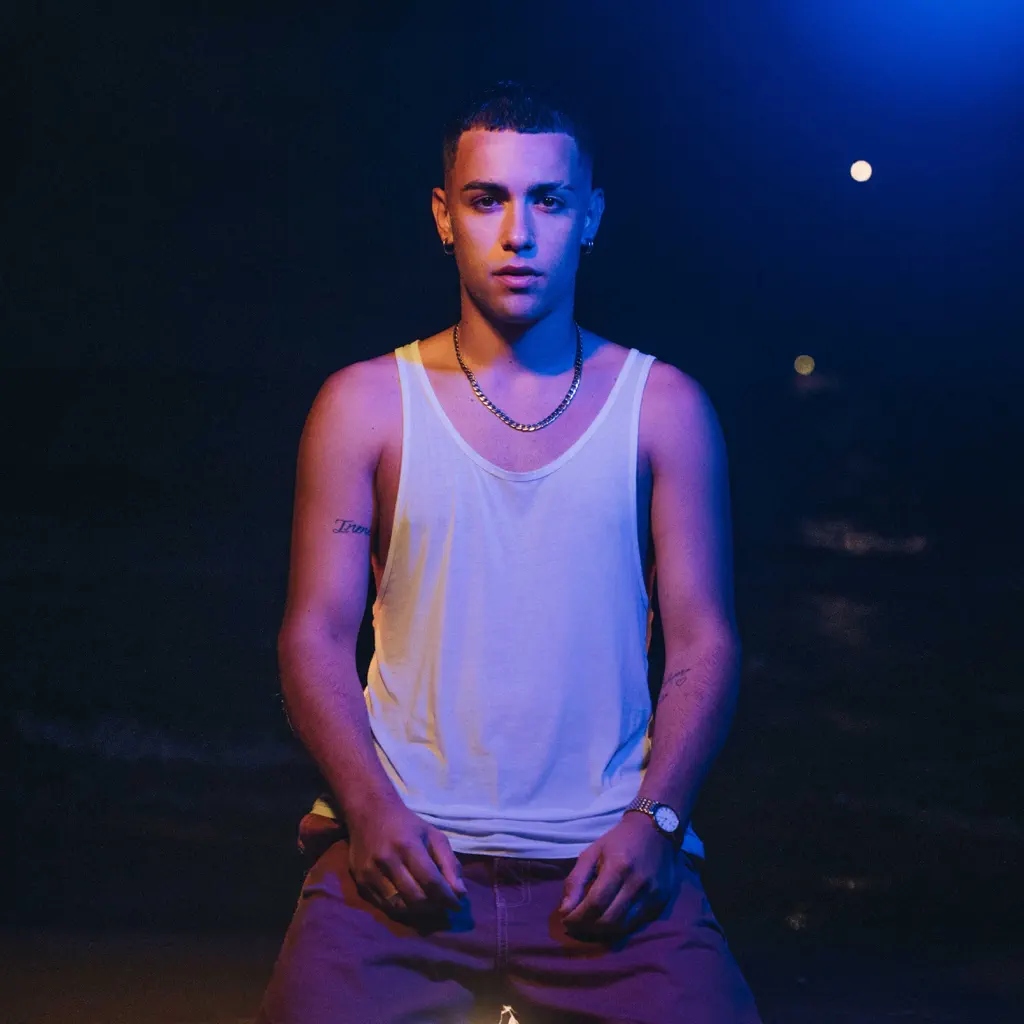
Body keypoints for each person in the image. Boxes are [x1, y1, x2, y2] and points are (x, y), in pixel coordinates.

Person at [257, 81, 762, 1024]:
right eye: (487, 199)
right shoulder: (364, 404)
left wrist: (656, 822)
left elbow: (704, 641)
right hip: (400, 857)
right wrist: (368, 810)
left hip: (608, 868)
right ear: (444, 216)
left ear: (590, 216)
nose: (519, 234)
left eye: (549, 200)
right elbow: (314, 634)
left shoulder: (665, 408)